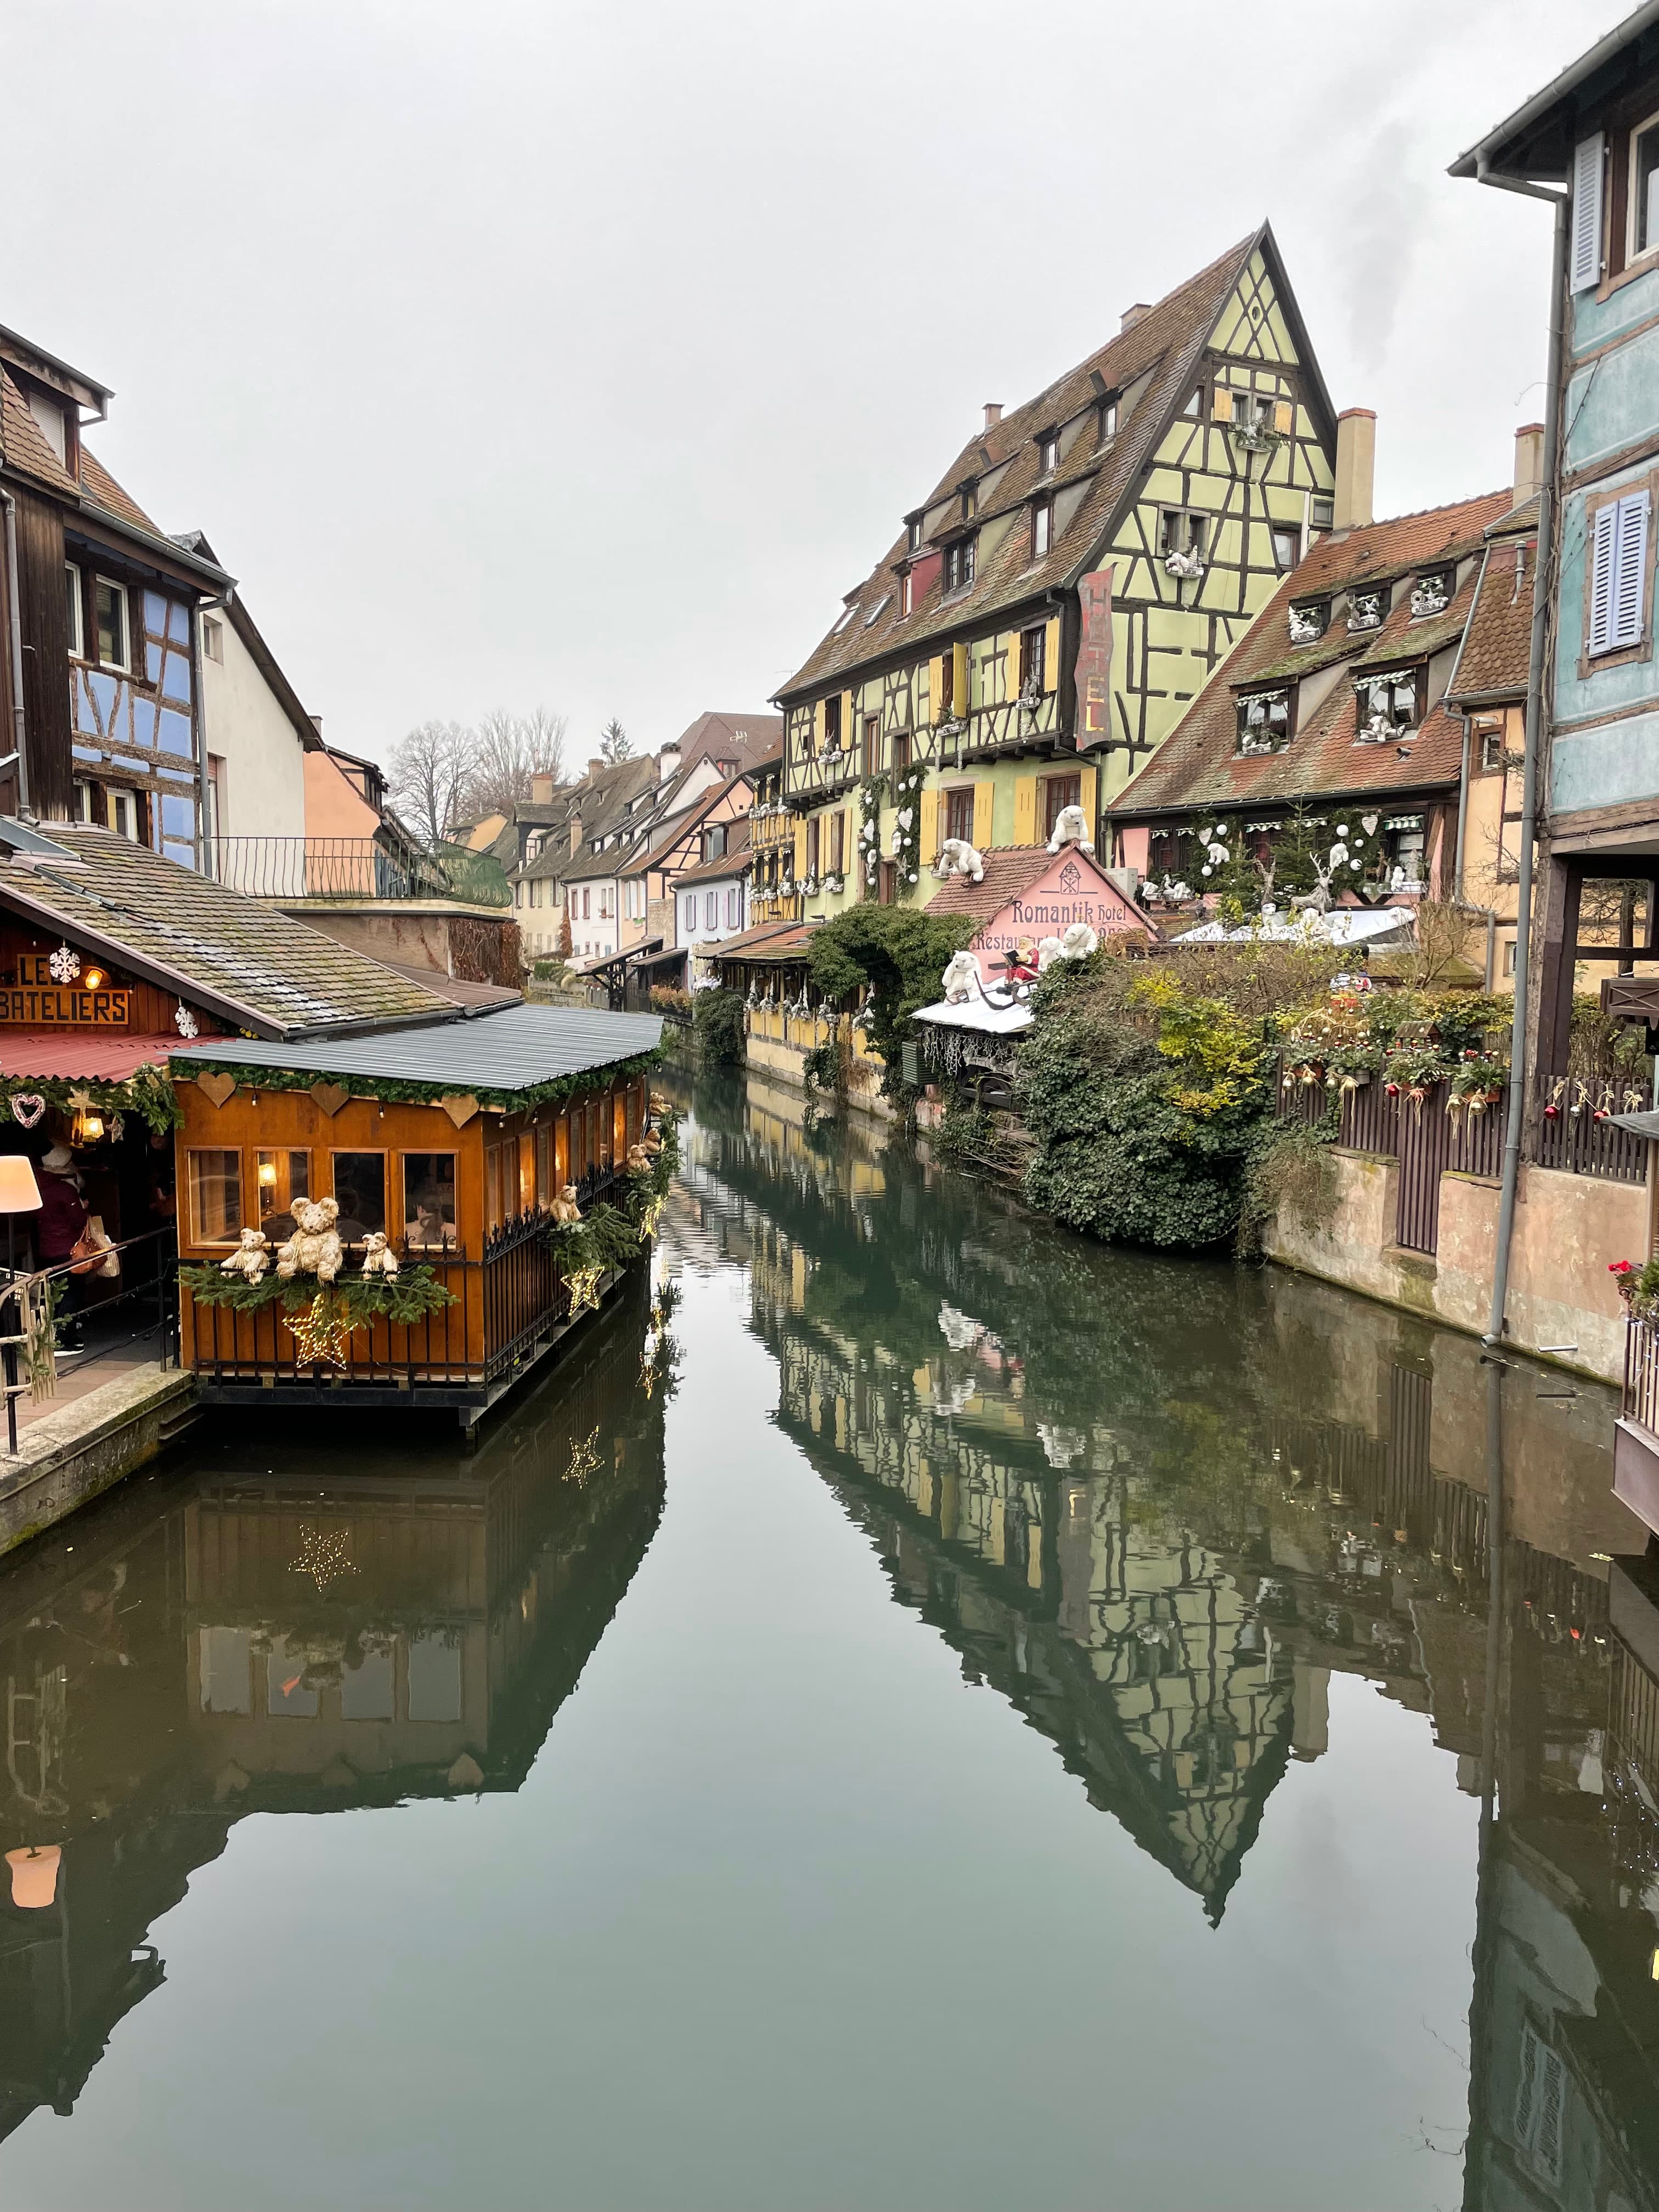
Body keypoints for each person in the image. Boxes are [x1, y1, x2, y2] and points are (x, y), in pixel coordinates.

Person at [36, 1144, 90, 1352]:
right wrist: (82, 1208)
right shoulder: (64, 1190)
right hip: (67, 1249)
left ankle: (55, 1334)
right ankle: (63, 1338)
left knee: (55, 1293)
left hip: (46, 1247)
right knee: (72, 1292)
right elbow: (78, 1220)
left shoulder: (41, 1188)